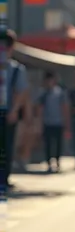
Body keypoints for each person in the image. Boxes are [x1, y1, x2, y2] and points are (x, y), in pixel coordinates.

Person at [4, 29, 29, 189]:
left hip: (7, 113)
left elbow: (21, 92)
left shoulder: (16, 69)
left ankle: (4, 178)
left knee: (7, 147)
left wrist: (14, 110)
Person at [37, 71, 70, 173]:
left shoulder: (60, 93)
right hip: (47, 122)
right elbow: (40, 108)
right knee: (48, 144)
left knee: (58, 144)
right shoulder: (43, 93)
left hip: (58, 122)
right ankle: (48, 162)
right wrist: (39, 121)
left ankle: (57, 161)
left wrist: (66, 121)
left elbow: (64, 107)